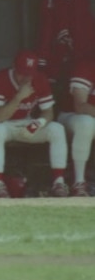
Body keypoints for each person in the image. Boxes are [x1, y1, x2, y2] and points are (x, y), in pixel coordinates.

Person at [0, 50, 69, 198]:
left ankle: (59, 182)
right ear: (14, 67)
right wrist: (18, 97)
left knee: (57, 129)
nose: (25, 78)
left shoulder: (40, 79)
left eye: (29, 74)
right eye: (22, 73)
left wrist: (37, 124)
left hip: (26, 122)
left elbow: (48, 111)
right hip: (3, 124)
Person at [57, 59, 95, 196]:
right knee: (86, 123)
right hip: (71, 116)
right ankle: (79, 182)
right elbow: (80, 106)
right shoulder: (86, 66)